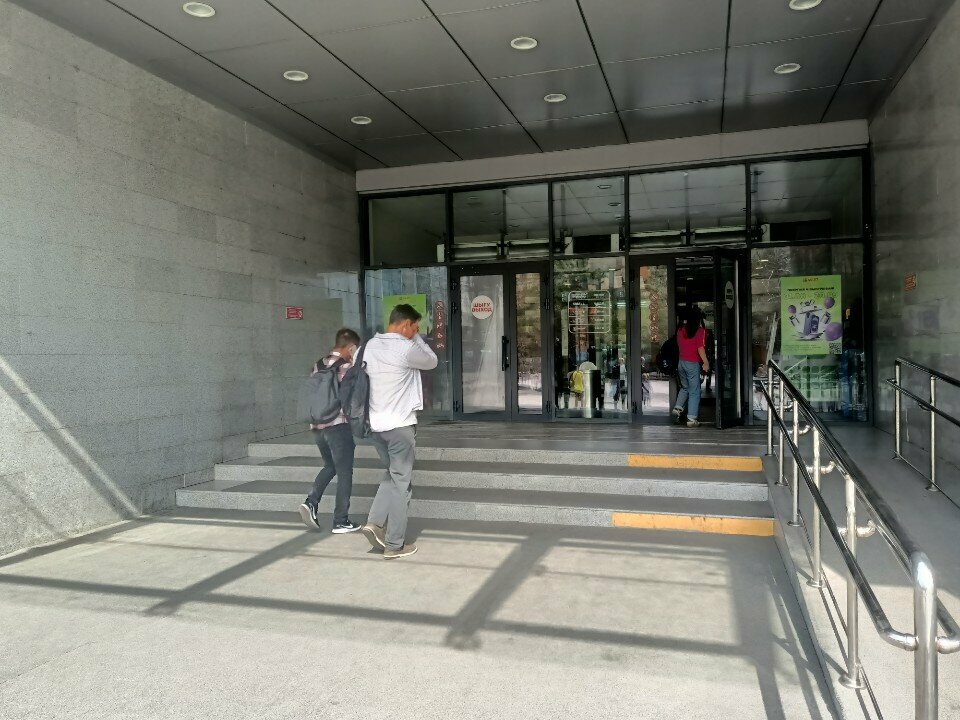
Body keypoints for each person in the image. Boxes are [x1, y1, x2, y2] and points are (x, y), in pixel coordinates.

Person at [361, 304, 438, 559]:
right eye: (415, 327)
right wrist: (418, 339)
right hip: (400, 426)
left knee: (392, 474)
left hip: (375, 426)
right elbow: (432, 361)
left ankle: (374, 522)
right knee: (402, 484)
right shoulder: (405, 348)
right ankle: (394, 544)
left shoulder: (368, 347)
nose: (416, 331)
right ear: (405, 325)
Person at [299, 328, 363, 534]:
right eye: (355, 349)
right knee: (345, 472)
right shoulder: (347, 367)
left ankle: (311, 502)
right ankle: (341, 520)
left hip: (317, 426)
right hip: (338, 426)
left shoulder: (317, 365)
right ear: (350, 347)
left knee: (330, 466)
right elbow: (352, 399)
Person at [672, 307, 710, 427]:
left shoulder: (680, 330)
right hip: (692, 363)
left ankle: (678, 407)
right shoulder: (700, 331)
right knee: (694, 391)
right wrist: (706, 362)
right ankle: (692, 418)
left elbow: (679, 345)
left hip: (681, 363)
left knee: (685, 387)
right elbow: (700, 348)